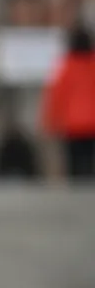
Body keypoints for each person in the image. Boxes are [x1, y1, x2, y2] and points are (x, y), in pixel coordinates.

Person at [42, 23, 95, 178]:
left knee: (74, 163)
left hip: (72, 125)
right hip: (92, 124)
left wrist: (50, 122)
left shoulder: (66, 66)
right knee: (90, 161)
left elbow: (57, 96)